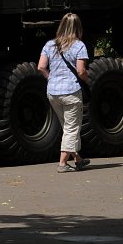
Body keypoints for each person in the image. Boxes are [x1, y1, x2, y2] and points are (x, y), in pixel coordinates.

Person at [38, 13, 91, 173]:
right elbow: (81, 71)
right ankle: (62, 163)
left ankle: (78, 160)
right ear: (78, 27)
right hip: (71, 92)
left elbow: (40, 67)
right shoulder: (79, 46)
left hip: (53, 93)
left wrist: (50, 78)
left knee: (67, 126)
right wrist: (88, 80)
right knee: (72, 128)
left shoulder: (49, 45)